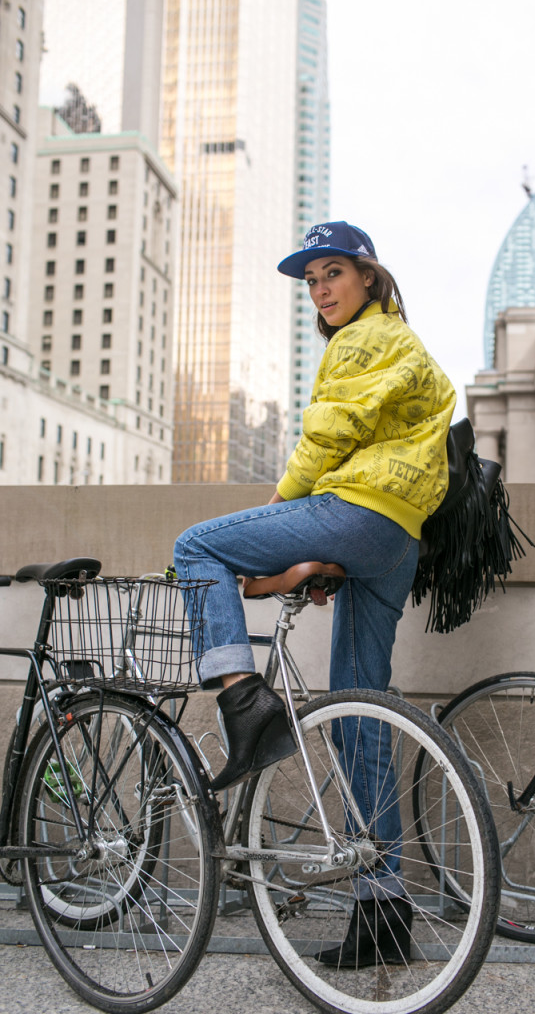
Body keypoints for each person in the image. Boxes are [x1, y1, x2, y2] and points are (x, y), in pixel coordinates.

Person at [174, 220, 456, 965]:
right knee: (361, 716)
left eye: (333, 272)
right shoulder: (405, 343)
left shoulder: (364, 340)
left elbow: (325, 441)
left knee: (196, 545)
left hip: (358, 511)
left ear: (368, 275)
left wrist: (277, 517)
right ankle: (383, 912)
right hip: (397, 539)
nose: (322, 289)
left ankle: (245, 708)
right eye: (311, 281)